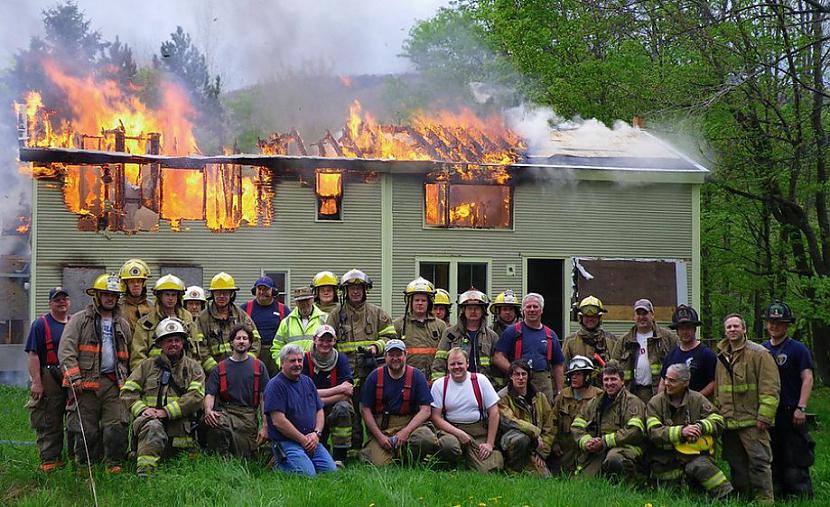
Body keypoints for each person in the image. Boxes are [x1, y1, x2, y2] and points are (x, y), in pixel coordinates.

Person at [58, 273, 131, 472]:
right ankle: (85, 465)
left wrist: (129, 383)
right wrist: (74, 377)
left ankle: (114, 464)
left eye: (113, 295)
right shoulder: (80, 320)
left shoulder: (122, 324)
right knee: (86, 428)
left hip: (114, 383)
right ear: (96, 296)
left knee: (116, 424)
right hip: (86, 383)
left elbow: (129, 356)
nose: (110, 298)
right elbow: (66, 350)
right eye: (105, 294)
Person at [120, 318, 205, 477]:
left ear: (183, 342)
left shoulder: (194, 367)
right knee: (153, 426)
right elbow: (127, 391)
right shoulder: (146, 366)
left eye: (177, 340)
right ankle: (145, 474)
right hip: (151, 425)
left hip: (180, 429)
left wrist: (166, 412)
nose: (173, 344)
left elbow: (196, 396)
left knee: (182, 465)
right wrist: (143, 410)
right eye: (168, 340)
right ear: (160, 343)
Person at [326, 269, 396, 450]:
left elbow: (391, 337)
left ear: (365, 290)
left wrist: (375, 348)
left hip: (371, 374)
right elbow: (326, 341)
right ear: (345, 291)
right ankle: (350, 451)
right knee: (349, 415)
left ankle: (376, 448)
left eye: (359, 288)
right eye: (352, 288)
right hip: (345, 376)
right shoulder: (336, 315)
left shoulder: (377, 313)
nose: (355, 291)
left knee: (373, 413)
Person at [715, 313, 779, 503]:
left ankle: (765, 500)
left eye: (736, 326)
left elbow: (770, 387)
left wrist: (764, 417)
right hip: (729, 421)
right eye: (729, 327)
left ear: (744, 329)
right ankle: (743, 499)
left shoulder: (759, 354)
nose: (732, 330)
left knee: (759, 462)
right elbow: (718, 387)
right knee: (736, 464)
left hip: (753, 421)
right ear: (725, 331)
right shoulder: (721, 356)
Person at [646, 363, 732, 499]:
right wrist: (682, 432)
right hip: (665, 459)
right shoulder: (655, 403)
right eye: (666, 379)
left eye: (672, 380)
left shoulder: (697, 399)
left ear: (685, 383)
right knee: (670, 494)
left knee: (701, 466)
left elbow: (719, 420)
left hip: (694, 456)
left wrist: (700, 426)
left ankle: (726, 496)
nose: (667, 383)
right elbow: (653, 432)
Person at [761, 301, 814, 499]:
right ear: (767, 324)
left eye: (780, 323)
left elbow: (807, 378)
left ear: (787, 325)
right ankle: (778, 494)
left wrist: (801, 407)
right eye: (771, 322)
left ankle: (801, 495)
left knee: (795, 454)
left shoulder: (798, 349)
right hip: (768, 412)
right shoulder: (761, 350)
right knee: (772, 454)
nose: (775, 326)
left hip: (791, 410)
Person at [360, 339, 437, 466]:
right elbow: (365, 409)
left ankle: (407, 459)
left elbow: (426, 409)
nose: (395, 358)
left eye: (399, 354)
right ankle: (375, 452)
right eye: (391, 355)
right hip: (383, 429)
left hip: (409, 426)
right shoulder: (374, 376)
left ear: (405, 355)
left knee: (425, 438)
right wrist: (379, 437)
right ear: (385, 357)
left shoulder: (416, 376)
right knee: (381, 465)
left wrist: (406, 431)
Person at [263, 344, 337, 476]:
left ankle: (302, 460)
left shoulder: (307, 382)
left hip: (310, 439)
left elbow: (319, 410)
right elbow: (278, 421)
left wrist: (316, 434)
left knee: (330, 472)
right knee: (307, 475)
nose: (297, 364)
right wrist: (303, 440)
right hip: (286, 441)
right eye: (292, 361)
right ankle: (277, 463)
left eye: (300, 360)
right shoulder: (275, 386)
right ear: (282, 363)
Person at [431, 348, 503, 472]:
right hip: (451, 430)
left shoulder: (480, 380)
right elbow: (435, 417)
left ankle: (471, 460)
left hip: (478, 431)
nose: (456, 367)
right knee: (448, 446)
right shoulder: (439, 384)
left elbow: (494, 413)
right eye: (452, 364)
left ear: (467, 364)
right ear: (447, 366)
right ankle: (451, 465)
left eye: (460, 363)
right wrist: (459, 433)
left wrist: (489, 444)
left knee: (488, 469)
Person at [570, 363, 646, 481]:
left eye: (613, 379)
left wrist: (604, 441)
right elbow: (577, 426)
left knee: (613, 459)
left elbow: (634, 432)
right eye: (606, 379)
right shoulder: (595, 402)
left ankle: (627, 484)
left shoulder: (633, 403)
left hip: (625, 450)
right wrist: (587, 442)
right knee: (582, 482)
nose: (609, 383)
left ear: (622, 381)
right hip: (600, 450)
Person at [203, 324, 269, 458]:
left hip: (248, 416)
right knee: (217, 425)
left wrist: (265, 426)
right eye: (238, 338)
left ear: (250, 343)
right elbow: (210, 394)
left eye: (245, 338)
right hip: (226, 412)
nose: (241, 341)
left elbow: (264, 398)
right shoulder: (220, 368)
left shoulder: (259, 366)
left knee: (247, 455)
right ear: (232, 342)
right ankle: (220, 462)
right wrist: (208, 411)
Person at [25, 287, 73, 472]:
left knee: (75, 419)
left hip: (71, 375)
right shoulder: (40, 324)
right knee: (49, 418)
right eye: (57, 299)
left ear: (69, 302)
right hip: (49, 375)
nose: (61, 302)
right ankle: (50, 461)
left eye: (64, 299)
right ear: (50, 303)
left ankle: (77, 459)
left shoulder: (75, 323)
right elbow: (33, 355)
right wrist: (36, 382)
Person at [493, 293, 565, 401]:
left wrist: (560, 391)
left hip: (543, 384)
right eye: (528, 307)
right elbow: (498, 357)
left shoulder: (550, 335)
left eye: (535, 307)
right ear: (523, 310)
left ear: (541, 310)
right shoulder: (512, 332)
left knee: (544, 414)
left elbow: (558, 365)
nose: (532, 310)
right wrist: (516, 372)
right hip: (518, 383)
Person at [130, 274, 207, 372]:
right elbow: (138, 357)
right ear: (160, 296)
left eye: (173, 295)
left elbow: (195, 350)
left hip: (184, 372)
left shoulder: (187, 318)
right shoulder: (146, 323)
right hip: (155, 374)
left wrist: (195, 372)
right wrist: (146, 377)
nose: (170, 298)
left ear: (178, 297)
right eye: (167, 294)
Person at [302, 324, 355, 464]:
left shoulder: (341, 359)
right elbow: (303, 392)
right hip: (311, 407)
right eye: (322, 340)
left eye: (329, 340)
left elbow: (347, 392)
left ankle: (340, 457)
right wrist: (337, 389)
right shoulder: (304, 359)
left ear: (334, 341)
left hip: (332, 406)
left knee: (343, 408)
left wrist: (317, 396)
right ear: (314, 339)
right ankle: (317, 448)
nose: (325, 344)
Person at [611, 299, 677, 403]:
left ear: (652, 315)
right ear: (634, 316)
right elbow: (613, 368)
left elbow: (678, 364)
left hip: (660, 394)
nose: (642, 317)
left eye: (645, 313)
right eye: (638, 313)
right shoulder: (624, 341)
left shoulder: (668, 338)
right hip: (631, 394)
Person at [497, 360, 554, 476]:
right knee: (522, 438)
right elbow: (510, 421)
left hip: (536, 446)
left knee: (546, 479)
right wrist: (534, 431)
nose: (521, 378)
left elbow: (550, 426)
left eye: (524, 374)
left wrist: (542, 452)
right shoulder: (502, 397)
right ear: (510, 377)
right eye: (516, 374)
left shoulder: (539, 397)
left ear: (529, 376)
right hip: (511, 441)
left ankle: (529, 466)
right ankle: (513, 470)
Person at [431, 289, 499, 384]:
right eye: (469, 308)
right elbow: (439, 362)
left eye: (477, 308)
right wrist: (439, 385)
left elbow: (496, 367)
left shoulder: (492, 336)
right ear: (463, 310)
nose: (473, 311)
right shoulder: (450, 334)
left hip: (481, 386)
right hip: (454, 385)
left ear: (483, 311)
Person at [197, 272, 261, 373]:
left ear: (231, 294)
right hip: (213, 372)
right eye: (218, 293)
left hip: (240, 370)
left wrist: (246, 362)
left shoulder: (241, 315)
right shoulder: (203, 319)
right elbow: (200, 347)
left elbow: (255, 339)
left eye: (225, 293)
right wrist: (215, 370)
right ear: (212, 294)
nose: (221, 296)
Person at [549, 355, 602, 475]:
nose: (574, 377)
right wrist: (554, 443)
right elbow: (552, 421)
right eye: (572, 374)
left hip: (587, 449)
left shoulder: (598, 396)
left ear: (587, 376)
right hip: (565, 449)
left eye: (578, 374)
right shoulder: (563, 395)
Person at [393, 277, 446, 380]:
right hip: (406, 379)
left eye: (423, 300)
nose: (420, 303)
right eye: (417, 300)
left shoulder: (440, 326)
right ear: (410, 302)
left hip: (434, 380)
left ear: (429, 303)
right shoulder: (398, 325)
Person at [658, 305, 716, 398]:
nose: (685, 332)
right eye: (681, 328)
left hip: (699, 408)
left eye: (688, 327)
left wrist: (695, 400)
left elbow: (714, 382)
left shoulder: (707, 354)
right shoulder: (671, 356)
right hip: (674, 407)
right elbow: (663, 383)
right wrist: (660, 403)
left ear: (695, 329)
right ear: (677, 331)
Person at [242, 276, 289, 377]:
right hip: (253, 353)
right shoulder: (245, 309)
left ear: (274, 291)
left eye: (266, 289)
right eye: (260, 289)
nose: (262, 292)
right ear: (255, 291)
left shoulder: (283, 310)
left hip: (275, 354)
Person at [273, 286, 329, 363]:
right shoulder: (286, 322)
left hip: (318, 367)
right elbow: (276, 348)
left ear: (312, 300)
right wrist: (281, 364)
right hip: (293, 368)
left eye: (307, 300)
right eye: (300, 301)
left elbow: (332, 345)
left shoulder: (325, 319)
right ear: (296, 302)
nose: (304, 304)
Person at [562, 296, 617, 371]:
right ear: (581, 318)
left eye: (594, 316)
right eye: (587, 316)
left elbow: (618, 370)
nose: (590, 319)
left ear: (599, 317)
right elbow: (562, 369)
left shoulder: (612, 341)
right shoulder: (570, 342)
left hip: (606, 382)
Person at [117, 258, 152, 333]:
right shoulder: (117, 308)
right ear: (126, 284)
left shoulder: (152, 307)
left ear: (143, 284)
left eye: (139, 281)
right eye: (131, 281)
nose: (136, 285)